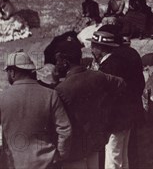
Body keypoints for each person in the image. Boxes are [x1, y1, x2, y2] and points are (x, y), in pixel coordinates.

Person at [0, 50, 72, 169]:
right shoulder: (51, 95)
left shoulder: (0, 99)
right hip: (46, 164)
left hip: (13, 165)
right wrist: (60, 155)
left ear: (12, 72)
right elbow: (65, 130)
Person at [54, 39, 126, 169]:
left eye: (57, 61)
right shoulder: (98, 76)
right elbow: (121, 83)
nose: (56, 65)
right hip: (94, 142)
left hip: (75, 150)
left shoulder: (61, 89)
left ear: (65, 62)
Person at [90, 25, 145, 169]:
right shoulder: (120, 61)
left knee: (112, 159)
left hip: (114, 120)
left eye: (93, 46)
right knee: (122, 157)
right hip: (126, 117)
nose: (91, 50)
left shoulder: (107, 68)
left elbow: (105, 98)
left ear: (100, 49)